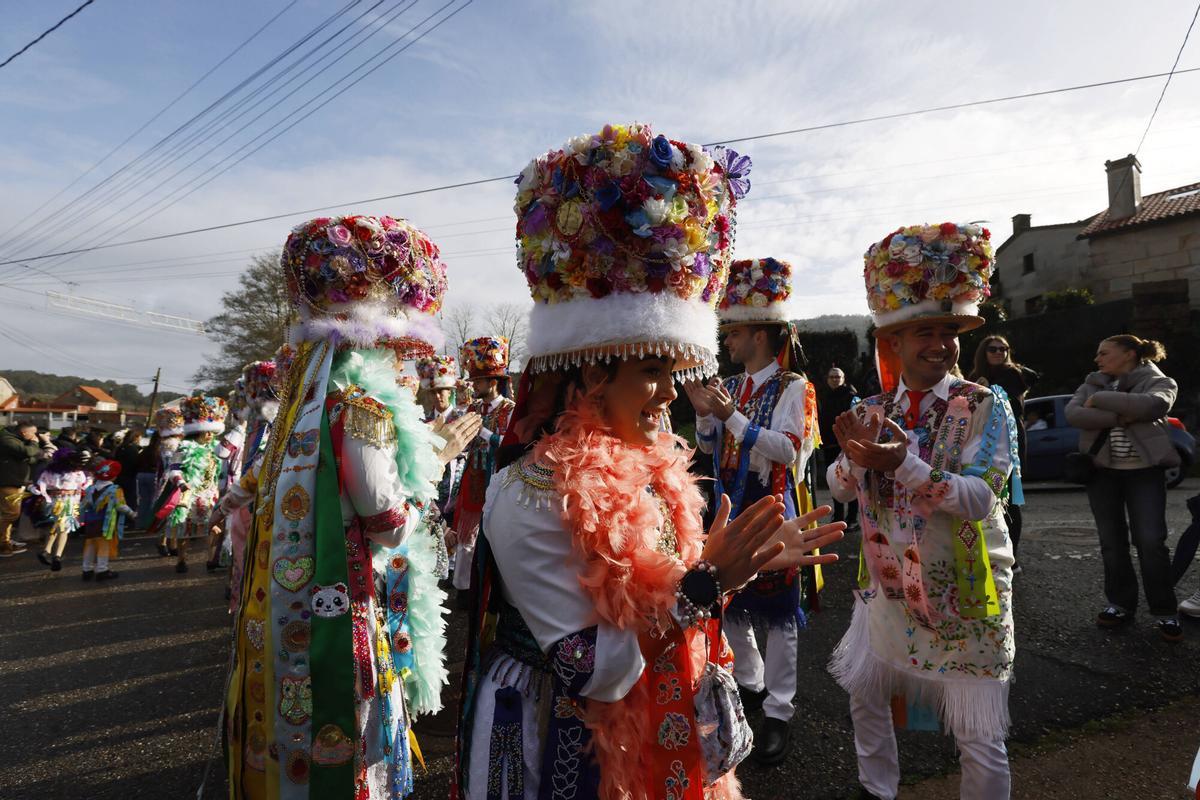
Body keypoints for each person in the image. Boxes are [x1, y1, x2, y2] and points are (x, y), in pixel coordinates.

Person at [455, 122, 844, 799]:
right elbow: (597, 672)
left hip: (666, 731)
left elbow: (669, 590)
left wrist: (732, 565)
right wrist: (707, 584)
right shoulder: (529, 489)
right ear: (589, 373)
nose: (671, 393)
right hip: (570, 746)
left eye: (675, 368)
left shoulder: (656, 466)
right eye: (652, 370)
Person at [224, 214, 452, 798]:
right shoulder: (361, 407)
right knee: (348, 737)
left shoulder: (305, 404)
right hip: (343, 605)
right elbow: (388, 524)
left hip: (286, 607)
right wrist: (438, 458)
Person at [828, 222, 1017, 800]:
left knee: (977, 731)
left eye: (947, 332)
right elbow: (839, 487)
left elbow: (982, 498)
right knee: (866, 694)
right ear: (893, 344)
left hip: (965, 583)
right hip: (887, 584)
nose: (939, 344)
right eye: (923, 333)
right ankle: (875, 788)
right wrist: (856, 463)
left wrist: (902, 465)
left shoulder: (984, 403)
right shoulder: (872, 406)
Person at [686, 256, 822, 764]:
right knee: (732, 602)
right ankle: (751, 683)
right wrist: (707, 418)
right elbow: (711, 446)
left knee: (781, 614)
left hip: (771, 505)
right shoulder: (736, 386)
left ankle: (780, 712)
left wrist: (730, 417)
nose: (727, 341)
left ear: (760, 335)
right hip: (730, 504)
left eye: (735, 331)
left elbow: (790, 451)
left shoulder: (794, 386)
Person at [1064, 334, 1182, 642]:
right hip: (1103, 474)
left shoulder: (1160, 380)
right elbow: (1074, 413)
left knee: (1150, 542)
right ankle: (1119, 604)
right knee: (1111, 542)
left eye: (1104, 353)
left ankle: (1165, 611)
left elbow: (1154, 405)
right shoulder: (1091, 382)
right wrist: (1125, 414)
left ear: (1129, 354)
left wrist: (1100, 402)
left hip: (1145, 473)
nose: (1097, 359)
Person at [449, 336, 515, 593]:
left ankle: (492, 587)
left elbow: (512, 447)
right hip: (473, 478)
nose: (474, 386)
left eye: (478, 381)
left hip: (497, 479)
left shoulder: (509, 409)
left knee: (495, 535)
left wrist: (487, 436)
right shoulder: (473, 408)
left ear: (493, 381)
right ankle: (464, 587)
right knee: (466, 534)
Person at [970, 335, 1038, 570]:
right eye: (993, 349)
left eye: (1004, 348)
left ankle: (1011, 558)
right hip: (980, 445)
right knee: (984, 498)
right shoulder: (974, 377)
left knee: (1008, 500)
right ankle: (988, 552)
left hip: (1006, 445)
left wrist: (988, 392)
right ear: (983, 351)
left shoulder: (1013, 375)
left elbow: (1015, 407)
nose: (999, 352)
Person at [164, 394, 227, 573]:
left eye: (212, 432)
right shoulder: (184, 448)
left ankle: (210, 559)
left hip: (210, 495)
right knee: (185, 529)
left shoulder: (217, 448)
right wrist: (182, 483)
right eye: (206, 431)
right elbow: (173, 470)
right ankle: (182, 560)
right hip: (189, 496)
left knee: (214, 527)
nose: (209, 435)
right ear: (198, 431)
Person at [34, 448, 93, 571]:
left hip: (52, 502)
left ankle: (47, 551)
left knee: (55, 527)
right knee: (63, 530)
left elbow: (40, 486)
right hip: (68, 502)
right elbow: (83, 486)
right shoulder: (76, 473)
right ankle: (57, 556)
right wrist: (89, 481)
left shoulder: (47, 472)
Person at [79, 459, 136, 581]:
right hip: (105, 522)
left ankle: (87, 569)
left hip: (90, 522)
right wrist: (132, 514)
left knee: (90, 544)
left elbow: (84, 505)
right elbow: (120, 506)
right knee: (103, 545)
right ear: (114, 476)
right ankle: (102, 569)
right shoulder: (115, 489)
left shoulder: (90, 489)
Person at [820, 366, 860, 531]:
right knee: (834, 482)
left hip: (846, 446)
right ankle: (838, 517)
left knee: (850, 481)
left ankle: (852, 519)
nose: (835, 380)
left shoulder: (852, 397)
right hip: (829, 444)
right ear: (827, 379)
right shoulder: (823, 396)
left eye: (838, 377)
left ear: (843, 379)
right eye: (832, 377)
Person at [1, 419, 45, 557]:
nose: (35, 437)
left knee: (9, 513)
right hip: (7, 482)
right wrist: (34, 444)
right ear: (23, 432)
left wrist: (32, 452)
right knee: (10, 514)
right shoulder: (7, 439)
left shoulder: (15, 439)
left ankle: (5, 541)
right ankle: (3, 544)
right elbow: (27, 452)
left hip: (15, 481)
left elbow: (31, 457)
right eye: (33, 433)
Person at [148, 406, 186, 555]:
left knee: (166, 511)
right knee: (171, 510)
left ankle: (165, 542)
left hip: (164, 478)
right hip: (172, 480)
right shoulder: (173, 444)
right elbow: (174, 464)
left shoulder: (163, 443)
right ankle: (170, 543)